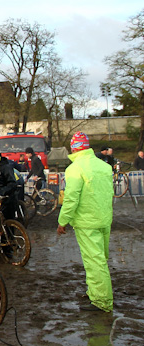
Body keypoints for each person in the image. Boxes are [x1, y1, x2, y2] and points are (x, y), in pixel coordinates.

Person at [57, 132, 114, 312]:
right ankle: (94, 292)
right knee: (99, 259)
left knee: (94, 261)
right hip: (104, 219)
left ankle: (102, 302)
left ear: (74, 148)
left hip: (86, 222)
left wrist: (62, 221)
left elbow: (71, 199)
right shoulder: (104, 166)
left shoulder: (75, 169)